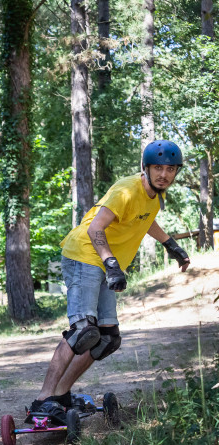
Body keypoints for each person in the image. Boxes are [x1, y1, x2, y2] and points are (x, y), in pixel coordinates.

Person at [26, 140, 191, 421]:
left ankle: (61, 394)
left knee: (107, 338)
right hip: (84, 254)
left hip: (103, 261)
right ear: (146, 168)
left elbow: (144, 219)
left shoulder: (155, 196)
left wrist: (171, 245)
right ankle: (42, 399)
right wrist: (111, 263)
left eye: (170, 169)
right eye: (158, 168)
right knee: (82, 332)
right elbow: (95, 227)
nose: (164, 174)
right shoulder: (126, 190)